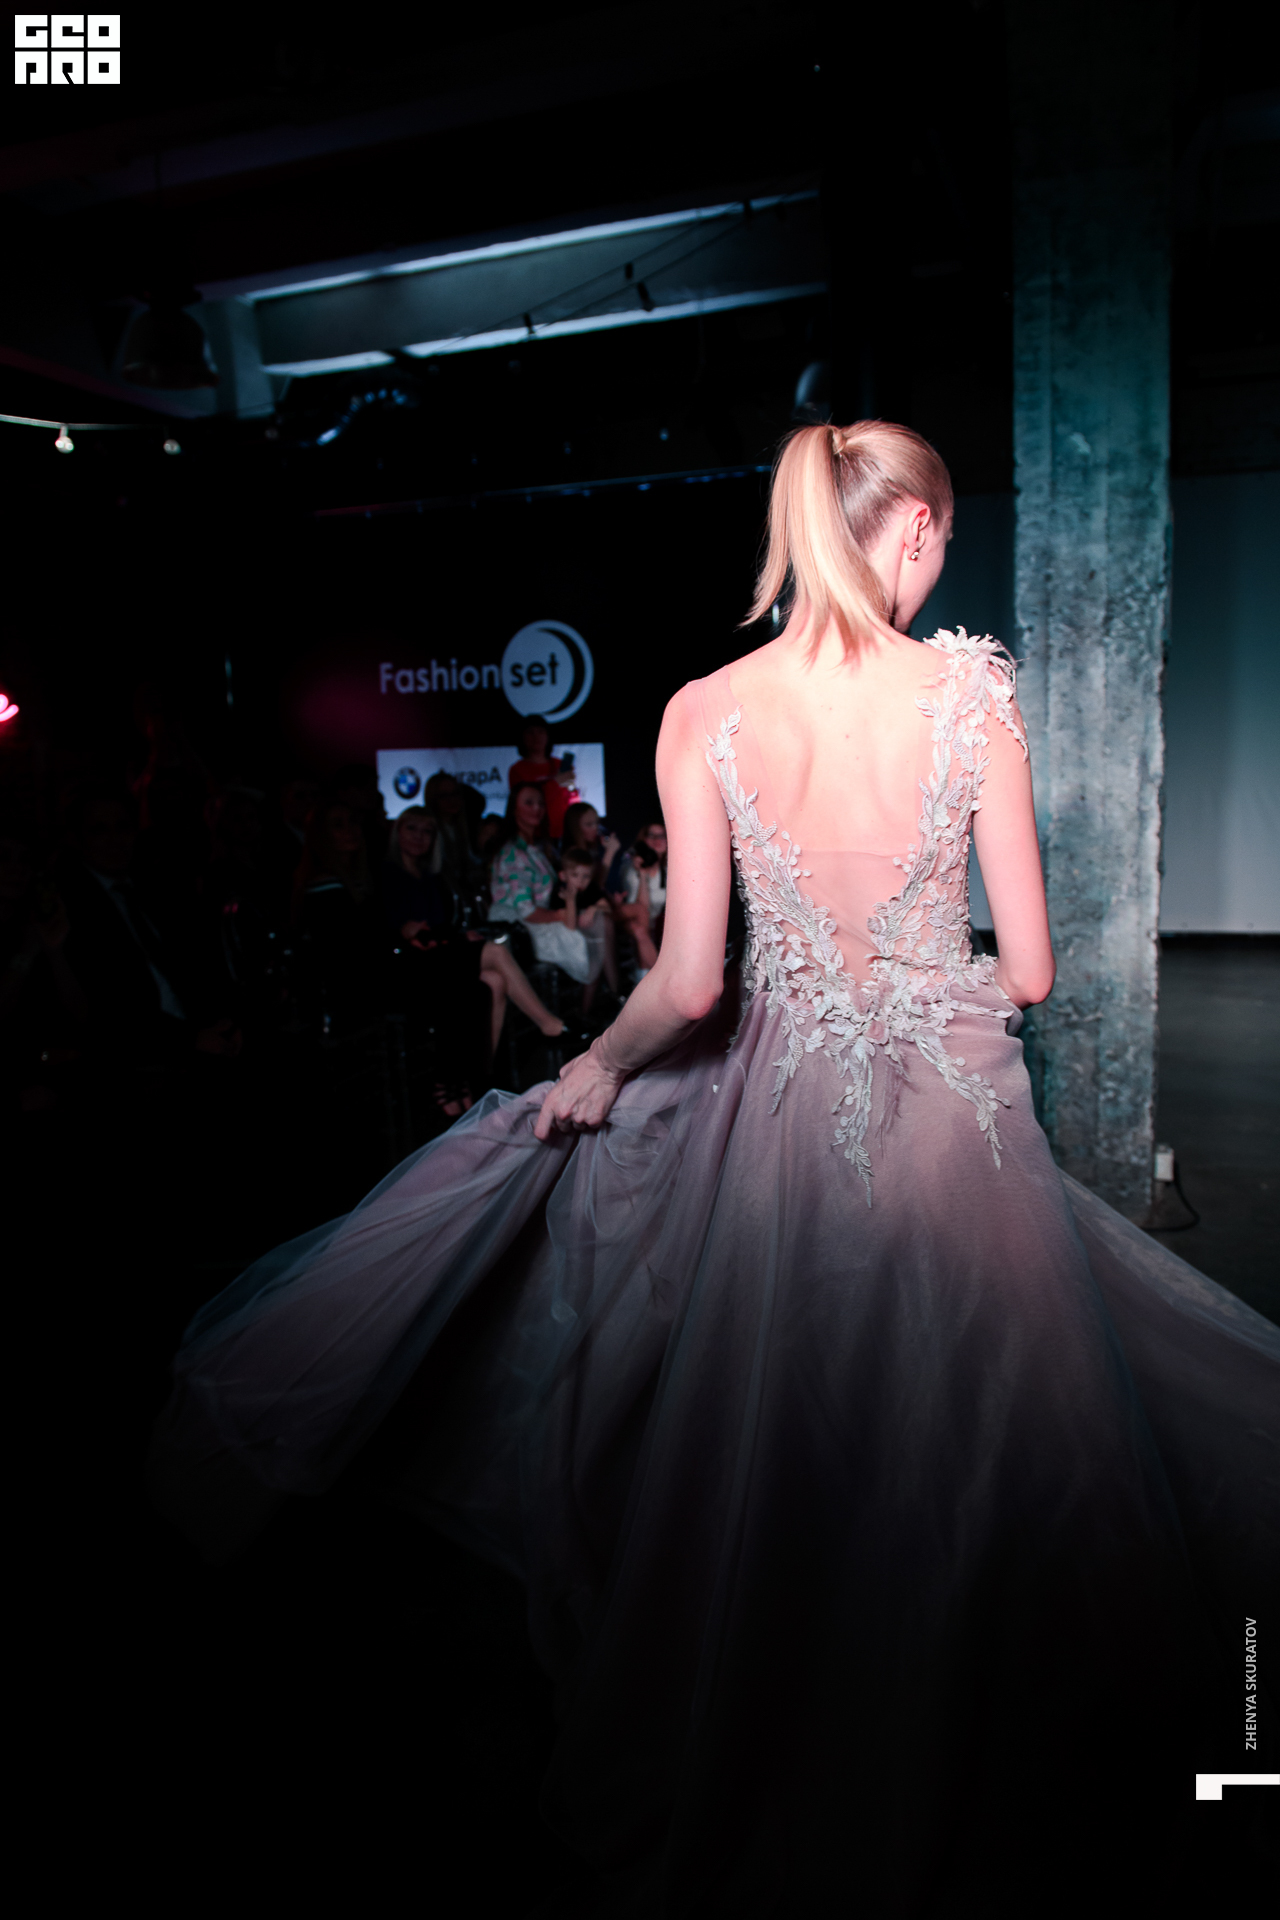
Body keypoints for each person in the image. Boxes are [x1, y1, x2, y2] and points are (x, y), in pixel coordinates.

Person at [151, 420, 1279, 1914]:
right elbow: (1027, 974)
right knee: (994, 1450)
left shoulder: (705, 710)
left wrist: (596, 1067)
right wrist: (909, 987)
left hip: (783, 1128)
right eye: (938, 542)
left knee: (790, 1458)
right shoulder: (969, 693)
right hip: (953, 1129)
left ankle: (789, 1763)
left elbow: (687, 985)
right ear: (915, 531)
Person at [381, 807, 566, 1106]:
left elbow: (439, 926)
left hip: (440, 954)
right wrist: (411, 932)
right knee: (495, 951)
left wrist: (455, 936)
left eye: (427, 831)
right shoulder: (387, 875)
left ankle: (478, 1077)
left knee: (494, 981)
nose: (419, 836)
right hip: (408, 963)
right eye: (411, 828)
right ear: (397, 832)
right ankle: (548, 1024)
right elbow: (392, 928)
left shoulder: (432, 877)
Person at [487, 783, 593, 985]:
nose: (536, 808)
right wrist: (560, 915)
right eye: (529, 803)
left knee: (594, 923)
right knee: (580, 936)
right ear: (514, 808)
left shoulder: (538, 848)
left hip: (539, 919)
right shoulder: (512, 853)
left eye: (540, 804)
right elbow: (526, 910)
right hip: (518, 928)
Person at [509, 717, 579, 840]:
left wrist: (570, 787)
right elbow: (526, 803)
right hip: (534, 834)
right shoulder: (517, 770)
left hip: (562, 832)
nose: (536, 737)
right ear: (523, 737)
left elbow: (570, 797)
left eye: (541, 732)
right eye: (530, 732)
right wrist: (555, 783)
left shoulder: (558, 764)